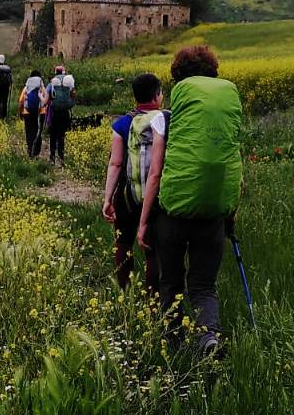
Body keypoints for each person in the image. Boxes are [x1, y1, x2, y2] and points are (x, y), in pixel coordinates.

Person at [137, 45, 243, 358]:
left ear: (177, 77)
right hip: (213, 213)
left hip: (172, 214)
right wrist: (230, 214)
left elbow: (155, 174)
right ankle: (208, 338)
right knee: (204, 285)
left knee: (171, 282)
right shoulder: (224, 116)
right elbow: (234, 170)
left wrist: (143, 222)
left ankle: (173, 345)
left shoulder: (165, 120)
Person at [102, 71, 164, 289]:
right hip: (156, 194)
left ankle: (124, 291)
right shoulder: (165, 121)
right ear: (157, 95)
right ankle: (153, 299)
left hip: (127, 194)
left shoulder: (123, 123)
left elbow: (115, 163)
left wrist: (108, 198)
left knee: (123, 243)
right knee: (152, 249)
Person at [47, 63, 76, 167]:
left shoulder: (52, 83)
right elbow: (73, 95)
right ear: (64, 72)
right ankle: (61, 159)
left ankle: (52, 158)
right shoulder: (68, 82)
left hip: (54, 113)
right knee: (61, 136)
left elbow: (47, 96)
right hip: (65, 113)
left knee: (53, 136)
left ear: (55, 72)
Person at [19, 69, 47, 158]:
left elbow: (21, 102)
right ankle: (36, 153)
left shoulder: (26, 88)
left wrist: (20, 113)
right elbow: (46, 101)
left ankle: (30, 150)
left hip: (27, 112)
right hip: (40, 113)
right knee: (38, 132)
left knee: (29, 131)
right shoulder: (42, 88)